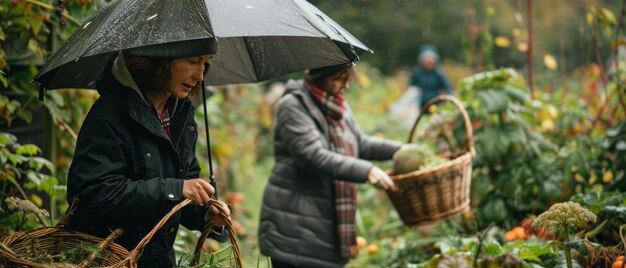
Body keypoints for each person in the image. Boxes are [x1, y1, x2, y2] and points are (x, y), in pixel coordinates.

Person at [66, 39, 231, 267]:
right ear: (159, 61)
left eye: (205, 63)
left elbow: (184, 187)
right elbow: (94, 194)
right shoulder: (109, 115)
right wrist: (174, 189)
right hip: (107, 259)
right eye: (193, 61)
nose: (200, 76)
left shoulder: (180, 114)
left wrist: (207, 214)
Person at [258, 63, 404, 267]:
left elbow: (359, 143)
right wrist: (367, 170)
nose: (346, 86)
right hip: (296, 225)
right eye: (338, 79)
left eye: (347, 78)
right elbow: (313, 155)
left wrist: (401, 149)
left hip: (326, 220)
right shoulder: (293, 105)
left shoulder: (337, 104)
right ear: (319, 75)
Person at [408, 45, 453, 111]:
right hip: (420, 105)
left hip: (435, 104)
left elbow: (448, 87)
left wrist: (447, 100)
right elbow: (411, 88)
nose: (429, 62)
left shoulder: (438, 73)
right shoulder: (418, 73)